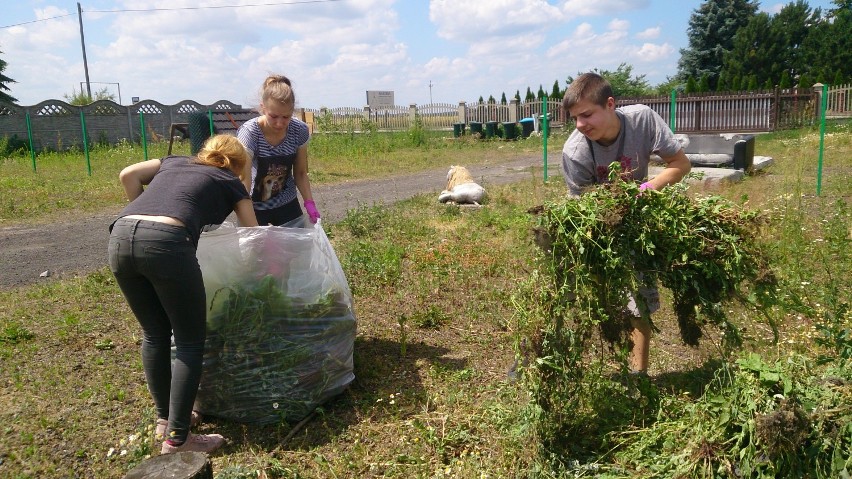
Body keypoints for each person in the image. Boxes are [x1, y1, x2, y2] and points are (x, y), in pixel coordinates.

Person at [107, 134, 259, 454]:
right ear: (239, 166)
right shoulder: (230, 181)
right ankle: (178, 439)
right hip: (167, 243)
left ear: (204, 152)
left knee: (154, 333)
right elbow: (251, 233)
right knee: (190, 340)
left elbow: (128, 175)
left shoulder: (175, 161)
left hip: (120, 235)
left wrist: (146, 214)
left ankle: (165, 419)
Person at [560, 72, 692, 375]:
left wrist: (645, 190)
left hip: (637, 223)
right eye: (575, 119)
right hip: (597, 228)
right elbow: (586, 212)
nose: (580, 125)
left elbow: (680, 165)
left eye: (587, 115)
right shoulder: (576, 151)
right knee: (580, 297)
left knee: (639, 301)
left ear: (610, 104)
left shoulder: (642, 121)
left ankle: (637, 378)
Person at [238, 74, 320, 226]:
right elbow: (244, 179)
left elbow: (301, 172)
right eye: (274, 116)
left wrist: (310, 203)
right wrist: (250, 222)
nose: (279, 123)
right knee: (257, 249)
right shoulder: (249, 133)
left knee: (296, 248)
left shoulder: (299, 130)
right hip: (254, 206)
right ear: (263, 108)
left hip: (286, 203)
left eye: (286, 116)